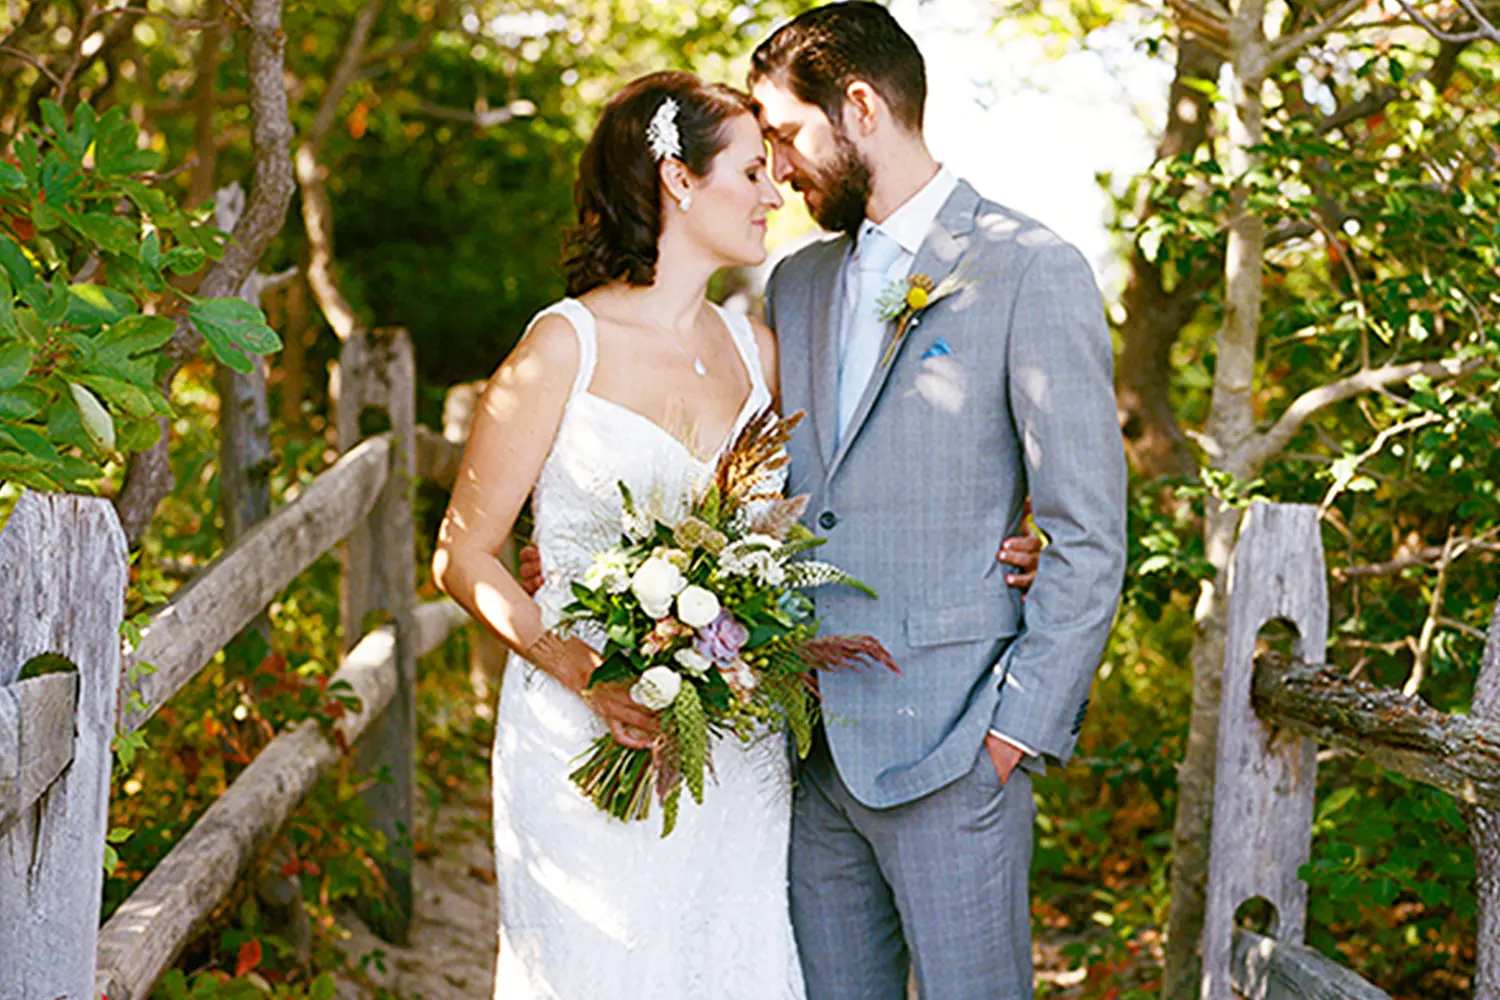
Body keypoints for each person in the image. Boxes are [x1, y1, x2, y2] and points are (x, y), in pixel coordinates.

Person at [744, 5, 1128, 998]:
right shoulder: (795, 283)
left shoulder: (1031, 268)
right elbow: (773, 493)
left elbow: (1088, 535)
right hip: (810, 752)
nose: (778, 169)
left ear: (860, 107)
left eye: (785, 134)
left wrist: (1010, 736)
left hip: (955, 749)